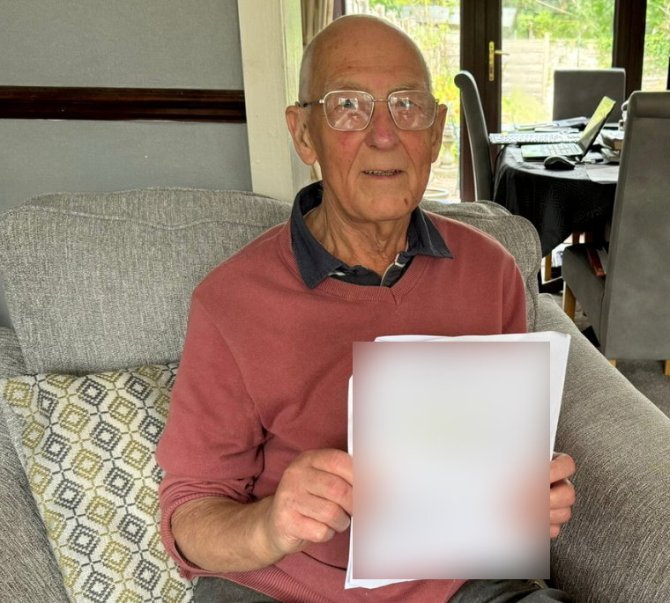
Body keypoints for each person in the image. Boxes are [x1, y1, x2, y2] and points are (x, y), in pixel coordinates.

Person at [156, 14, 576, 603]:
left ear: (434, 134)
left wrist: (526, 503)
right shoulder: (231, 300)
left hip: (460, 586)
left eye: (407, 107)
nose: (385, 135)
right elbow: (187, 519)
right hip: (287, 590)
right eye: (349, 106)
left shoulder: (491, 274)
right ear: (304, 135)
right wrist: (272, 522)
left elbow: (501, 466)